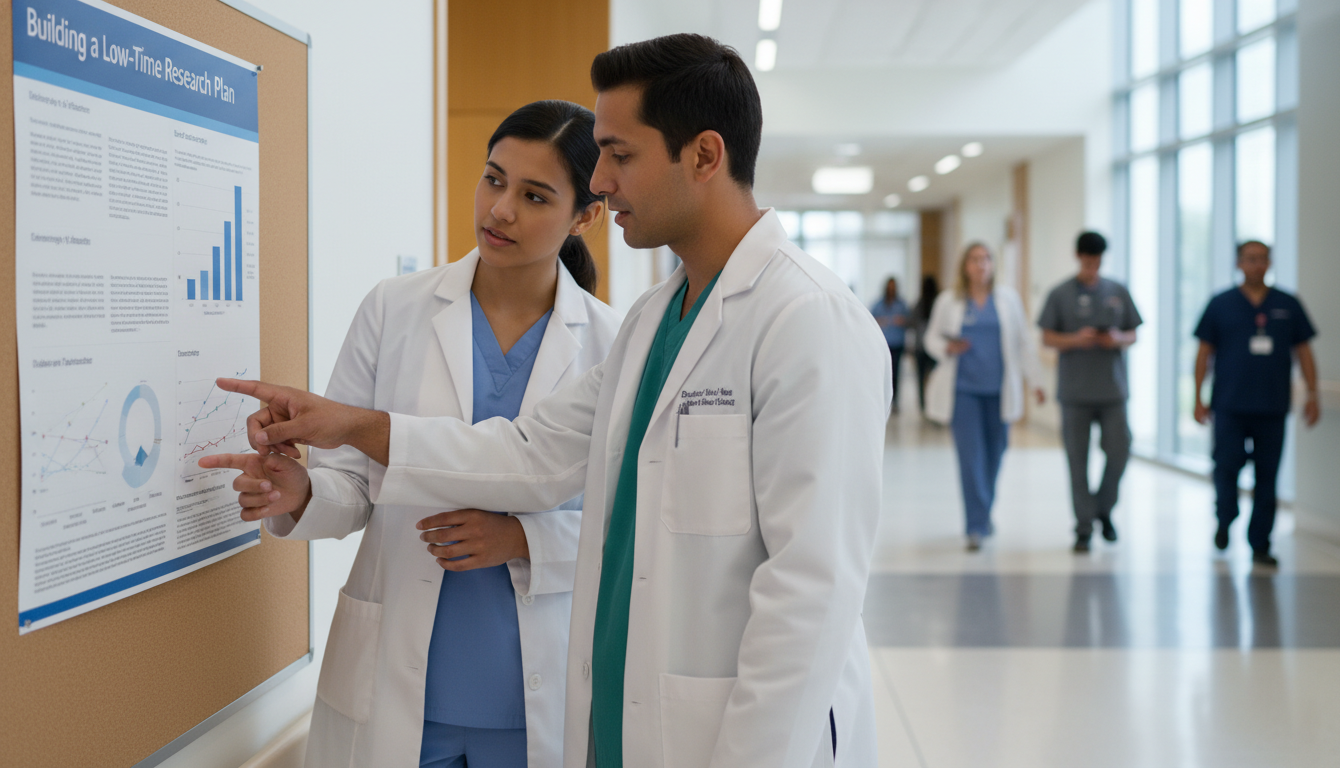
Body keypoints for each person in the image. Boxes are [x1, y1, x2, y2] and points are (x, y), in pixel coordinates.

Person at [213, 34, 888, 768]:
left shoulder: (808, 320)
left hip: (730, 738)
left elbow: (811, 593)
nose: (600, 179)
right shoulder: (653, 325)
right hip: (626, 725)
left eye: (620, 155)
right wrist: (348, 425)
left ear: (703, 156)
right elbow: (528, 455)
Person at [199, 100, 619, 768]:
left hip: (531, 694)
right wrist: (301, 491)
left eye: (534, 195)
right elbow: (351, 481)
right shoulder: (394, 308)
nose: (500, 208)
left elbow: (620, 527)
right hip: (397, 686)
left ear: (586, 215)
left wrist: (522, 538)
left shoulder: (611, 343)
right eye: (493, 178)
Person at [1193, 240, 1319, 568]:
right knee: (1226, 468)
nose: (1257, 265)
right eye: (1250, 259)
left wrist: (1313, 393)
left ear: (1270, 263)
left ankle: (1260, 543)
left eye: (1262, 259)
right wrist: (1197, 397)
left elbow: (1303, 351)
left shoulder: (1287, 304)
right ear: (1239, 263)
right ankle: (1225, 517)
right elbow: (1204, 352)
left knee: (1267, 476)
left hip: (1272, 407)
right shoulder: (1221, 304)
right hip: (1229, 406)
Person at [924, 243, 1045, 551]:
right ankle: (975, 525)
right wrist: (946, 347)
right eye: (975, 259)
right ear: (964, 266)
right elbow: (930, 338)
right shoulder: (949, 301)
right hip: (963, 391)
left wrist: (1036, 381)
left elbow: (1023, 343)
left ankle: (984, 510)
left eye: (986, 259)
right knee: (970, 458)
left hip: (999, 391)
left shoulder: (1008, 300)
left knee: (995, 454)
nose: (981, 265)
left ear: (993, 265)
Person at [1038, 231, 1142, 553]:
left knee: (1120, 450)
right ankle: (1084, 526)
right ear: (1077, 256)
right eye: (1086, 260)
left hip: (1112, 391)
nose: (1091, 266)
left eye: (1096, 261)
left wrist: (1117, 339)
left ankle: (1103, 509)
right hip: (1075, 393)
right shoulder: (1060, 294)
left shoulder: (1117, 291)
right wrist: (1075, 340)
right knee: (1077, 461)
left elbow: (1133, 334)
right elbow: (1047, 337)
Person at [871, 276, 908, 412]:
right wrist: (879, 321)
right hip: (883, 344)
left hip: (897, 344)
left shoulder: (902, 305)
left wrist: (903, 321)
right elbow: (869, 321)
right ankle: (884, 401)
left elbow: (910, 321)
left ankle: (896, 401)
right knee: (884, 374)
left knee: (896, 374)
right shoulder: (878, 305)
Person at [912, 274, 940, 414]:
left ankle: (924, 406)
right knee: (934, 377)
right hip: (930, 348)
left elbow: (911, 323)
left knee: (921, 378)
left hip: (921, 347)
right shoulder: (938, 304)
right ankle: (932, 405)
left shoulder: (919, 304)